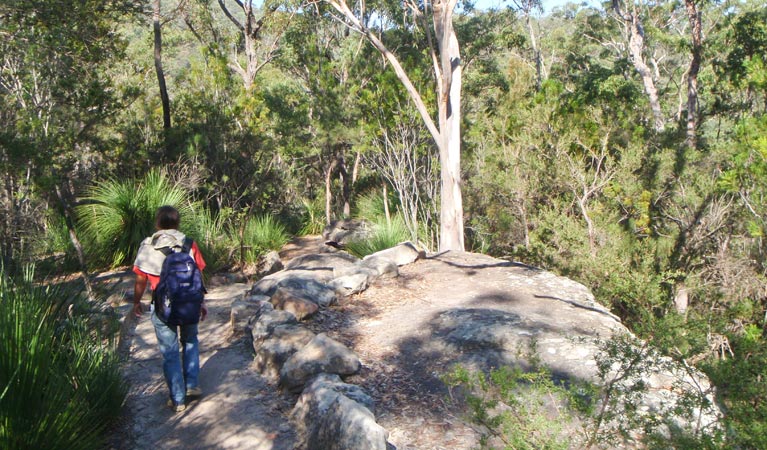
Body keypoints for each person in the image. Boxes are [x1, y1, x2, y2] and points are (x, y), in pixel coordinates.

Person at [132, 205, 208, 413]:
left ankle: (178, 398)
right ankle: (192, 384)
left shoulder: (148, 245)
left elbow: (140, 279)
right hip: (190, 302)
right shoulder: (189, 243)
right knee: (191, 340)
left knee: (170, 351)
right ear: (178, 222)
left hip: (162, 306)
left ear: (157, 222)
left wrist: (136, 302)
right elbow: (198, 274)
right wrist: (201, 301)